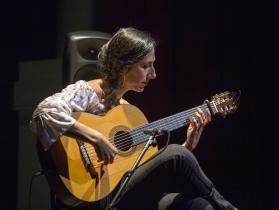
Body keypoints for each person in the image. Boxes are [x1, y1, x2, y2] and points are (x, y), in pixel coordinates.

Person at [30, 27, 238, 210]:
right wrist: (95, 138)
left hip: (127, 195)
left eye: (153, 65)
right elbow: (44, 112)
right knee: (176, 153)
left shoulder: (129, 112)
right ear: (122, 66)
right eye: (145, 66)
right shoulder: (88, 92)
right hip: (96, 198)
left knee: (200, 205)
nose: (153, 74)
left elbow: (146, 167)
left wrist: (188, 145)